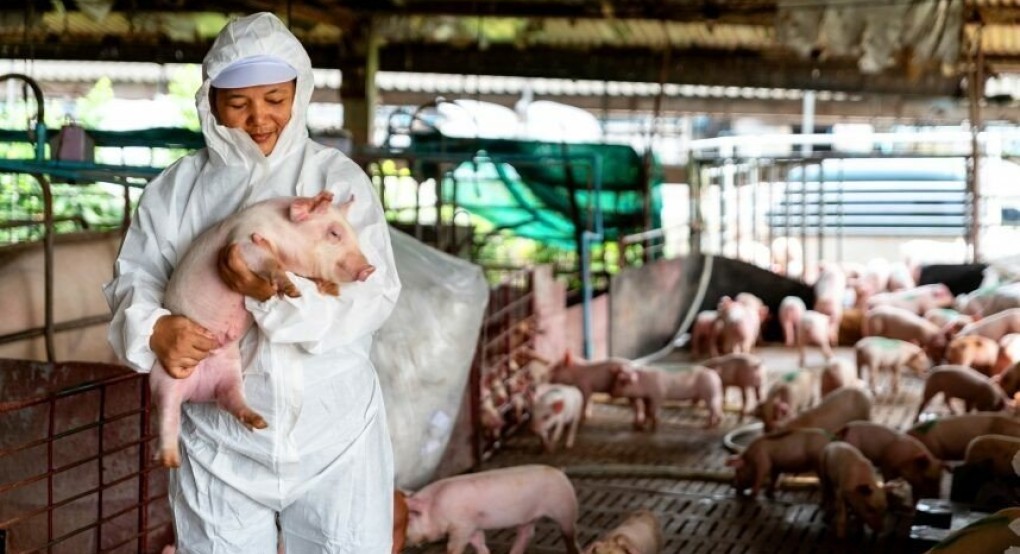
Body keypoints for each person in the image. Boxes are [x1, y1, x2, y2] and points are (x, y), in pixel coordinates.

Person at [103, 12, 401, 553]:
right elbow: (135, 279)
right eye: (238, 104)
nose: (258, 118)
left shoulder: (333, 180)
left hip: (332, 434)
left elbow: (372, 295)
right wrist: (154, 328)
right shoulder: (178, 190)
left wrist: (277, 300)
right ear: (211, 103)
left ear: (299, 94)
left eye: (274, 99)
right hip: (221, 444)